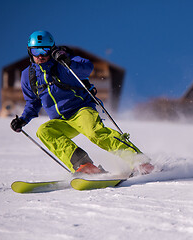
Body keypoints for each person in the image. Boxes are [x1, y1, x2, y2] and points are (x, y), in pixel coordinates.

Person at [10, 30, 154, 175]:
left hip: (81, 110)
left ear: (52, 49)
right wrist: (23, 119)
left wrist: (67, 61)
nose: (40, 55)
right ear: (30, 51)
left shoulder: (62, 63)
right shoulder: (28, 76)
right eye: (36, 50)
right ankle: (84, 165)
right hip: (61, 121)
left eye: (45, 50)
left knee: (95, 133)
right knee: (44, 131)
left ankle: (138, 160)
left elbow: (87, 68)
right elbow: (32, 103)